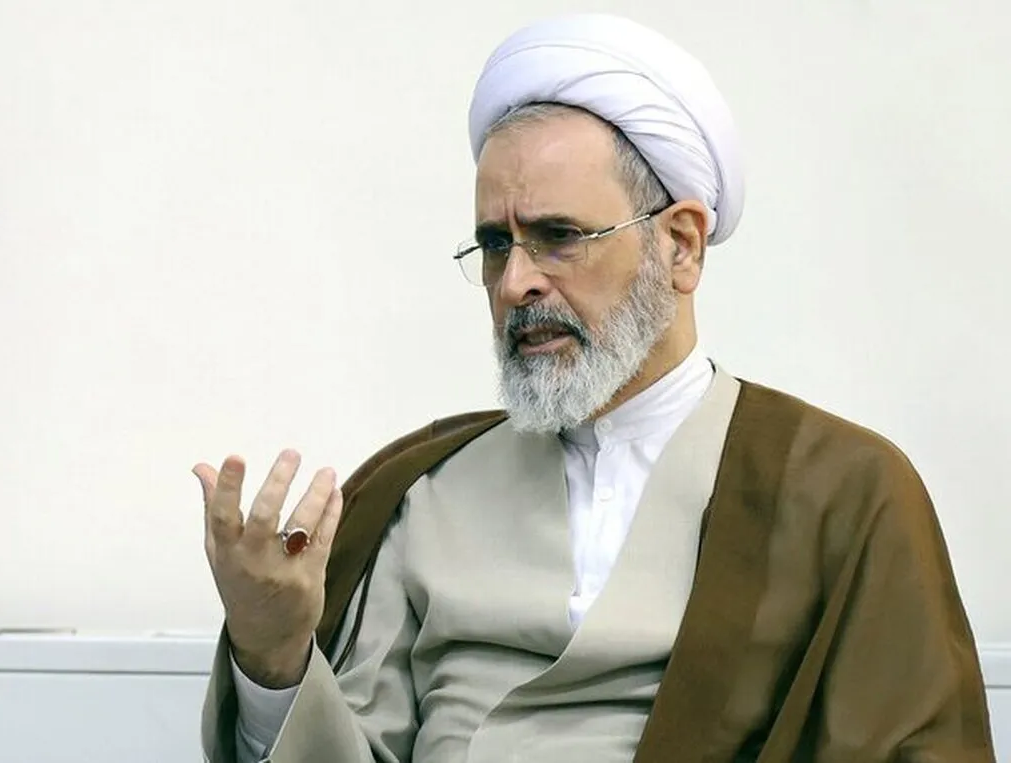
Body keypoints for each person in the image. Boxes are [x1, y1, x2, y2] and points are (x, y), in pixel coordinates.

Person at [193, 13, 996, 763]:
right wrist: (273, 652)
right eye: (495, 244)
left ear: (681, 246)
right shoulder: (424, 493)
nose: (515, 281)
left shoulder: (838, 492)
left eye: (558, 236)